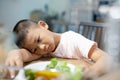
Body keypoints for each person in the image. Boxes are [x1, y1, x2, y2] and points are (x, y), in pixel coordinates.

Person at [4, 19, 110, 79]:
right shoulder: (43, 52)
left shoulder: (73, 40)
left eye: (38, 39)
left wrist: (92, 71)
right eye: (35, 50)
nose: (42, 48)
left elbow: (106, 59)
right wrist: (15, 53)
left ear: (43, 25)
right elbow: (25, 54)